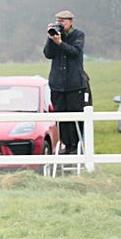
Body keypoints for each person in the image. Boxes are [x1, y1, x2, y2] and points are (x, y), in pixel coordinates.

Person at [43, 10, 88, 154]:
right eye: (58, 21)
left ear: (70, 21)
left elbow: (75, 52)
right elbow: (47, 54)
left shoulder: (78, 35)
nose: (60, 24)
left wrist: (60, 42)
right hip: (58, 85)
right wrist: (51, 39)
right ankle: (65, 145)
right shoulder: (55, 35)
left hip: (74, 85)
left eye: (62, 21)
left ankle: (76, 145)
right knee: (61, 118)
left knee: (75, 116)